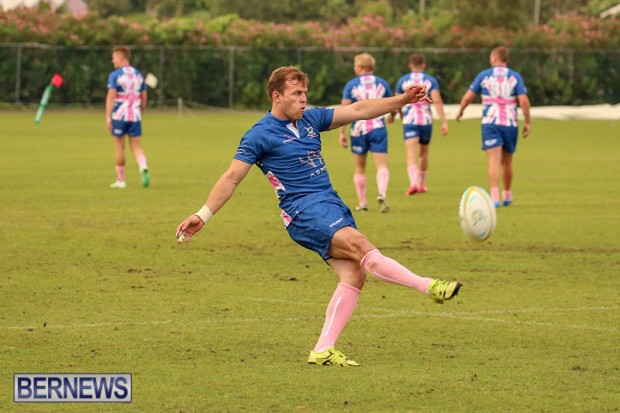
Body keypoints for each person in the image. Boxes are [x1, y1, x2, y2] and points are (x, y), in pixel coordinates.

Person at [176, 66, 461, 367]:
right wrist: (203, 215)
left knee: (354, 273)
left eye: (304, 93)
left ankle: (323, 349)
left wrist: (402, 99)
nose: (303, 99)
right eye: (296, 94)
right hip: (302, 211)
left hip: (330, 204)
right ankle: (428, 286)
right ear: (277, 96)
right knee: (361, 246)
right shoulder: (259, 134)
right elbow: (232, 177)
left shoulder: (311, 119)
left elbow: (360, 110)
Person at [456, 46, 531, 207]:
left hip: (490, 123)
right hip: (510, 123)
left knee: (494, 160)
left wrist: (460, 111)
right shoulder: (515, 76)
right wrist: (528, 122)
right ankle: (507, 195)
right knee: (507, 161)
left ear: (495, 58)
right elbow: (524, 101)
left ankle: (494, 198)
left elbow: (468, 97)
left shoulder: (484, 75)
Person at [338, 53, 395, 213]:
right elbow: (393, 103)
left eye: (355, 65)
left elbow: (344, 110)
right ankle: (382, 194)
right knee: (381, 165)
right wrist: (392, 115)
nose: (354, 68)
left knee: (359, 167)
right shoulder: (382, 83)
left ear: (360, 67)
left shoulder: (351, 85)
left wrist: (342, 132)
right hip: (378, 128)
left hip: (358, 130)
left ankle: (362, 202)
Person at [392, 54, 448, 195]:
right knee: (424, 153)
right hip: (426, 121)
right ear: (423, 65)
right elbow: (437, 101)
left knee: (411, 153)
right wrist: (444, 122)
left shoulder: (403, 80)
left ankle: (413, 184)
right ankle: (421, 184)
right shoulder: (430, 80)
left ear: (410, 65)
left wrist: (397, 115)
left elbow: (396, 101)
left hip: (410, 120)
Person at [106, 46, 150, 189]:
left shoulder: (115, 75)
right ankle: (143, 167)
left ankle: (121, 180)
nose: (113, 61)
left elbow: (111, 97)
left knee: (119, 147)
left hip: (119, 115)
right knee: (136, 146)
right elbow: (144, 97)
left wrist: (108, 117)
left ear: (120, 58)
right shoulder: (138, 74)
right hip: (135, 115)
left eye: (113, 58)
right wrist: (140, 111)